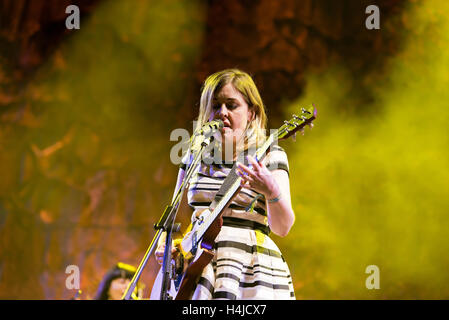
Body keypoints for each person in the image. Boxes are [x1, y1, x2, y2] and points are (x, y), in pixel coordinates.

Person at [156, 68, 296, 300]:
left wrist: (270, 191)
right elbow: (174, 219)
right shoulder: (194, 156)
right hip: (198, 268)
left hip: (249, 268)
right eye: (215, 105)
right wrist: (166, 245)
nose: (222, 113)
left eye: (231, 105)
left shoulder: (270, 156)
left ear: (251, 112)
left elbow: (283, 227)